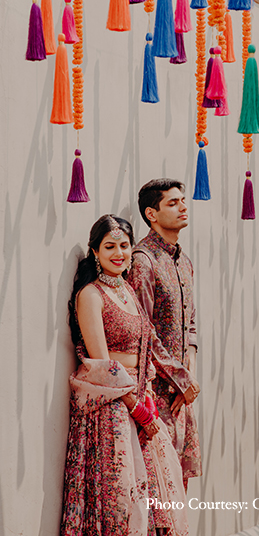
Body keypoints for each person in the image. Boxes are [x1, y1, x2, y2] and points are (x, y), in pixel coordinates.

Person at [61, 214, 198, 536]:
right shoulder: (91, 295)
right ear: (95, 252)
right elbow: (102, 364)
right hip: (112, 408)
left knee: (157, 498)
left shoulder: (127, 290)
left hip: (141, 398)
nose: (119, 253)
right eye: (109, 246)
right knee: (121, 498)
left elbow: (149, 344)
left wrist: (154, 392)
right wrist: (135, 405)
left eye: (124, 245)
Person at [128, 179, 201, 491]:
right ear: (151, 214)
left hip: (182, 394)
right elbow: (144, 330)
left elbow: (192, 326)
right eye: (173, 203)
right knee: (159, 483)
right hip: (155, 391)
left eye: (182, 200)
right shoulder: (142, 261)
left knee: (178, 485)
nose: (183, 207)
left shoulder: (184, 261)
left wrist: (189, 376)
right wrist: (180, 379)